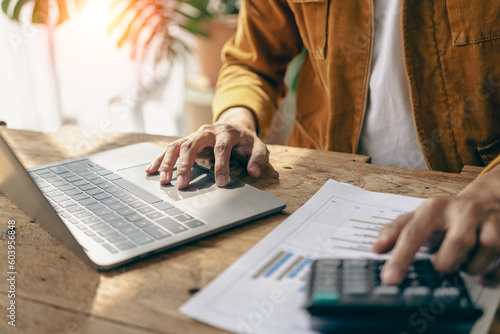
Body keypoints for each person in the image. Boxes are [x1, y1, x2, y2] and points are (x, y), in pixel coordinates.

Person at [146, 0, 500, 285]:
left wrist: (494, 188)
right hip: (324, 193)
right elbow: (251, 61)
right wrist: (236, 119)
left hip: (474, 206)